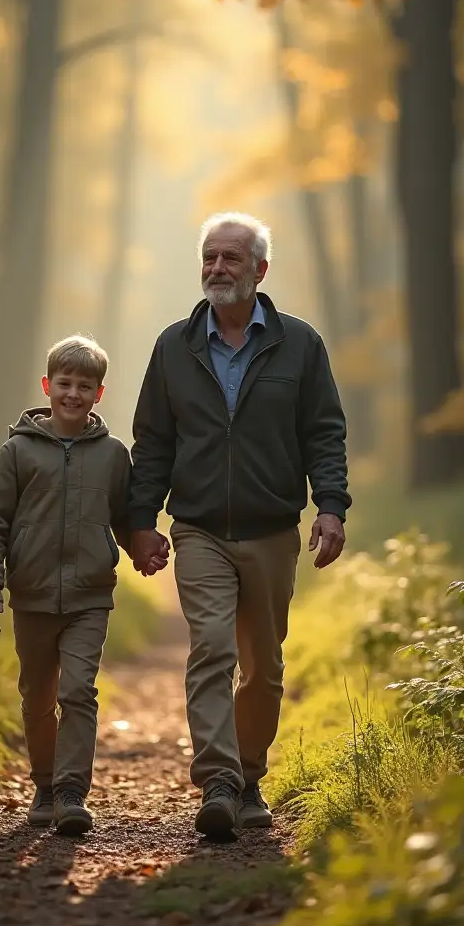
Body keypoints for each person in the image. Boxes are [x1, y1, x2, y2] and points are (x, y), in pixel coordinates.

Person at [128, 212, 351, 839]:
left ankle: (250, 775)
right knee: (212, 649)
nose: (217, 269)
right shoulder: (174, 346)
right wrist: (141, 521)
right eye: (209, 257)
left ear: (260, 269)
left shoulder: (299, 344)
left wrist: (330, 506)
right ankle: (219, 782)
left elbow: (324, 432)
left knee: (263, 665)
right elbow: (153, 441)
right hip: (197, 527)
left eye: (231, 258)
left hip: (273, 528)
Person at [0, 335, 167, 836]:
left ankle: (72, 793)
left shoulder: (112, 455)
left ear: (99, 394)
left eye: (85, 385)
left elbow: (123, 518)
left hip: (89, 596)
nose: (73, 393)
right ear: (47, 386)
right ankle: (44, 783)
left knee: (78, 690)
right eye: (65, 383)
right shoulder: (17, 452)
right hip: (32, 596)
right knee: (38, 695)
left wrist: (142, 548)